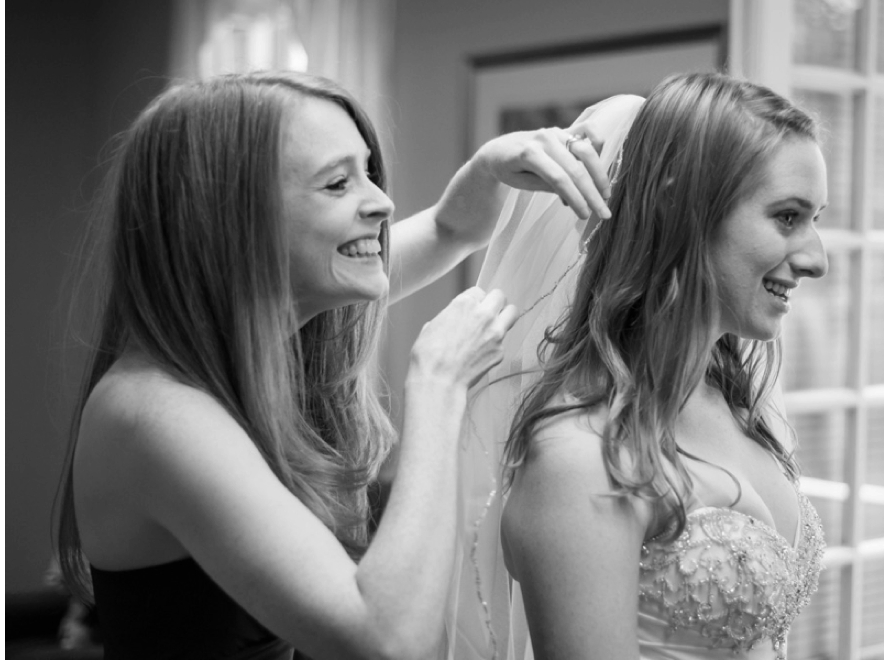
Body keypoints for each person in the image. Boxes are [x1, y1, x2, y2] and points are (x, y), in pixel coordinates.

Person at [54, 70, 613, 659]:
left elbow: (450, 229)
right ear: (232, 218)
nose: (381, 201)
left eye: (369, 172)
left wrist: (488, 168)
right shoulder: (155, 413)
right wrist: (438, 386)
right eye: (338, 183)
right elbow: (386, 641)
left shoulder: (258, 341)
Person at [450, 73, 828, 659]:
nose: (815, 258)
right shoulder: (580, 459)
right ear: (685, 209)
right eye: (786, 217)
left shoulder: (732, 399)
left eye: (815, 219)